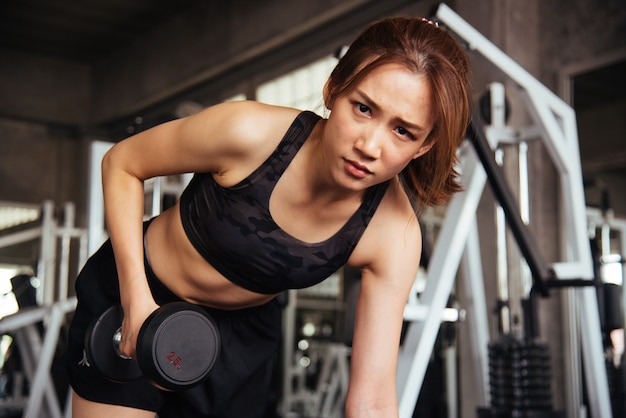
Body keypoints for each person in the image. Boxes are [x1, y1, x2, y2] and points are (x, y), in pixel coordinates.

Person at [66, 15, 471, 418]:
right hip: (136, 290)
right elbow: (122, 163)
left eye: (403, 131)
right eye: (363, 108)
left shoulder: (391, 233)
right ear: (334, 90)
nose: (370, 145)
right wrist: (136, 300)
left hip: (240, 340)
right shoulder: (247, 133)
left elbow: (373, 401)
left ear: (424, 145)